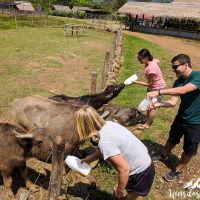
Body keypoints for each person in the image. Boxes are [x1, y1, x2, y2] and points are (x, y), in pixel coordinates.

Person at [75, 105, 155, 200]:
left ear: (83, 126)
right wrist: (90, 159)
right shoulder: (109, 124)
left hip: (140, 172)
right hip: (144, 162)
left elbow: (124, 169)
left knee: (126, 197)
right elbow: (109, 149)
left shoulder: (105, 142)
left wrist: (120, 190)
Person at [147, 54, 200, 182]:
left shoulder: (197, 76)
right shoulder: (178, 81)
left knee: (189, 147)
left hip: (196, 122)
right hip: (181, 117)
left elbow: (184, 90)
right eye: (172, 67)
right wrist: (158, 104)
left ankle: (179, 169)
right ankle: (164, 154)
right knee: (172, 138)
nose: (173, 69)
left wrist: (159, 91)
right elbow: (172, 102)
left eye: (175, 67)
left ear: (186, 65)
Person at [133, 48, 166, 129]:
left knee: (151, 108)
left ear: (146, 57)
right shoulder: (152, 61)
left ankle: (147, 124)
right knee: (144, 107)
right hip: (152, 89)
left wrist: (135, 82)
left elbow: (149, 83)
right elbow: (158, 61)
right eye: (138, 58)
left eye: (140, 59)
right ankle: (148, 119)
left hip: (157, 90)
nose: (138, 60)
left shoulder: (151, 69)